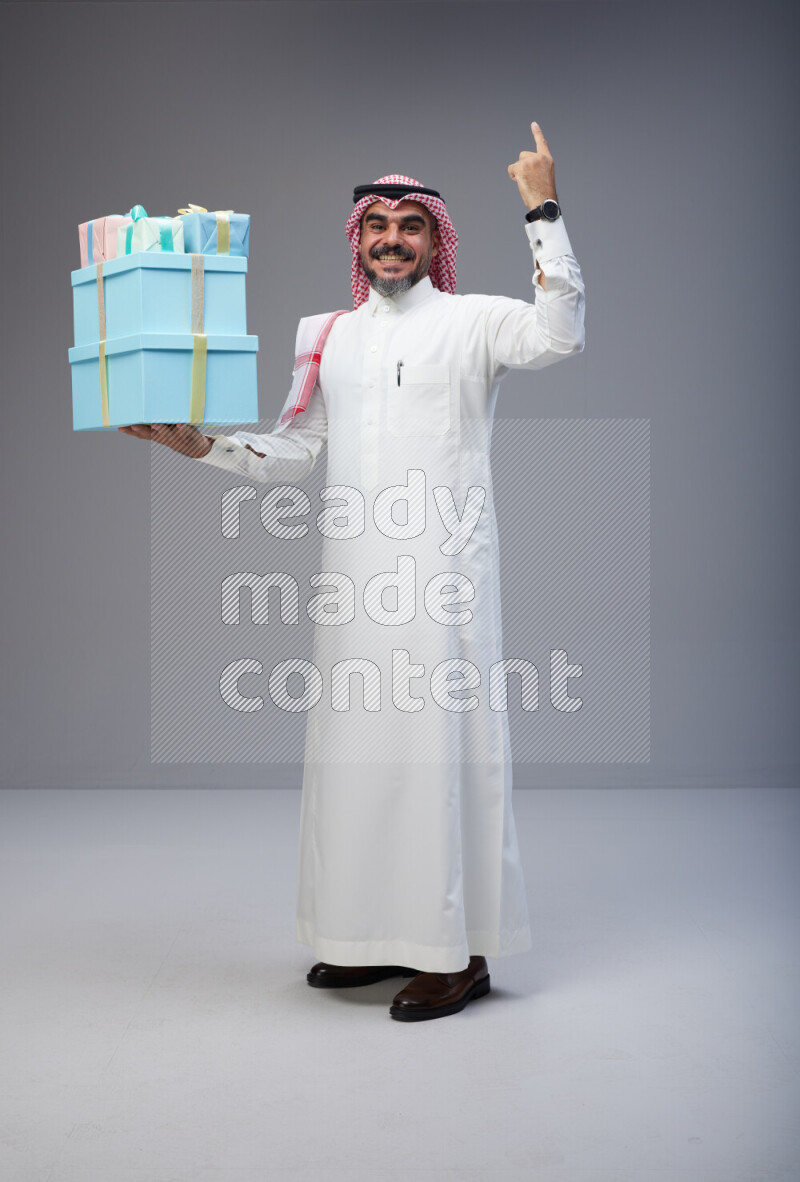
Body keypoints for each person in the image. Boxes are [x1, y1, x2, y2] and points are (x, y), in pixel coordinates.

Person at [119, 121, 585, 1022]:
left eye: (412, 226)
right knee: (357, 762)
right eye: (379, 226)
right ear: (358, 239)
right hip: (354, 583)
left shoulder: (477, 320)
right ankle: (370, 939)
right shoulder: (327, 334)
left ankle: (457, 953)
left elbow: (562, 335)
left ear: (434, 239)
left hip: (444, 584)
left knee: (439, 761)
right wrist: (200, 445)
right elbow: (295, 452)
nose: (393, 240)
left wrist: (543, 206)